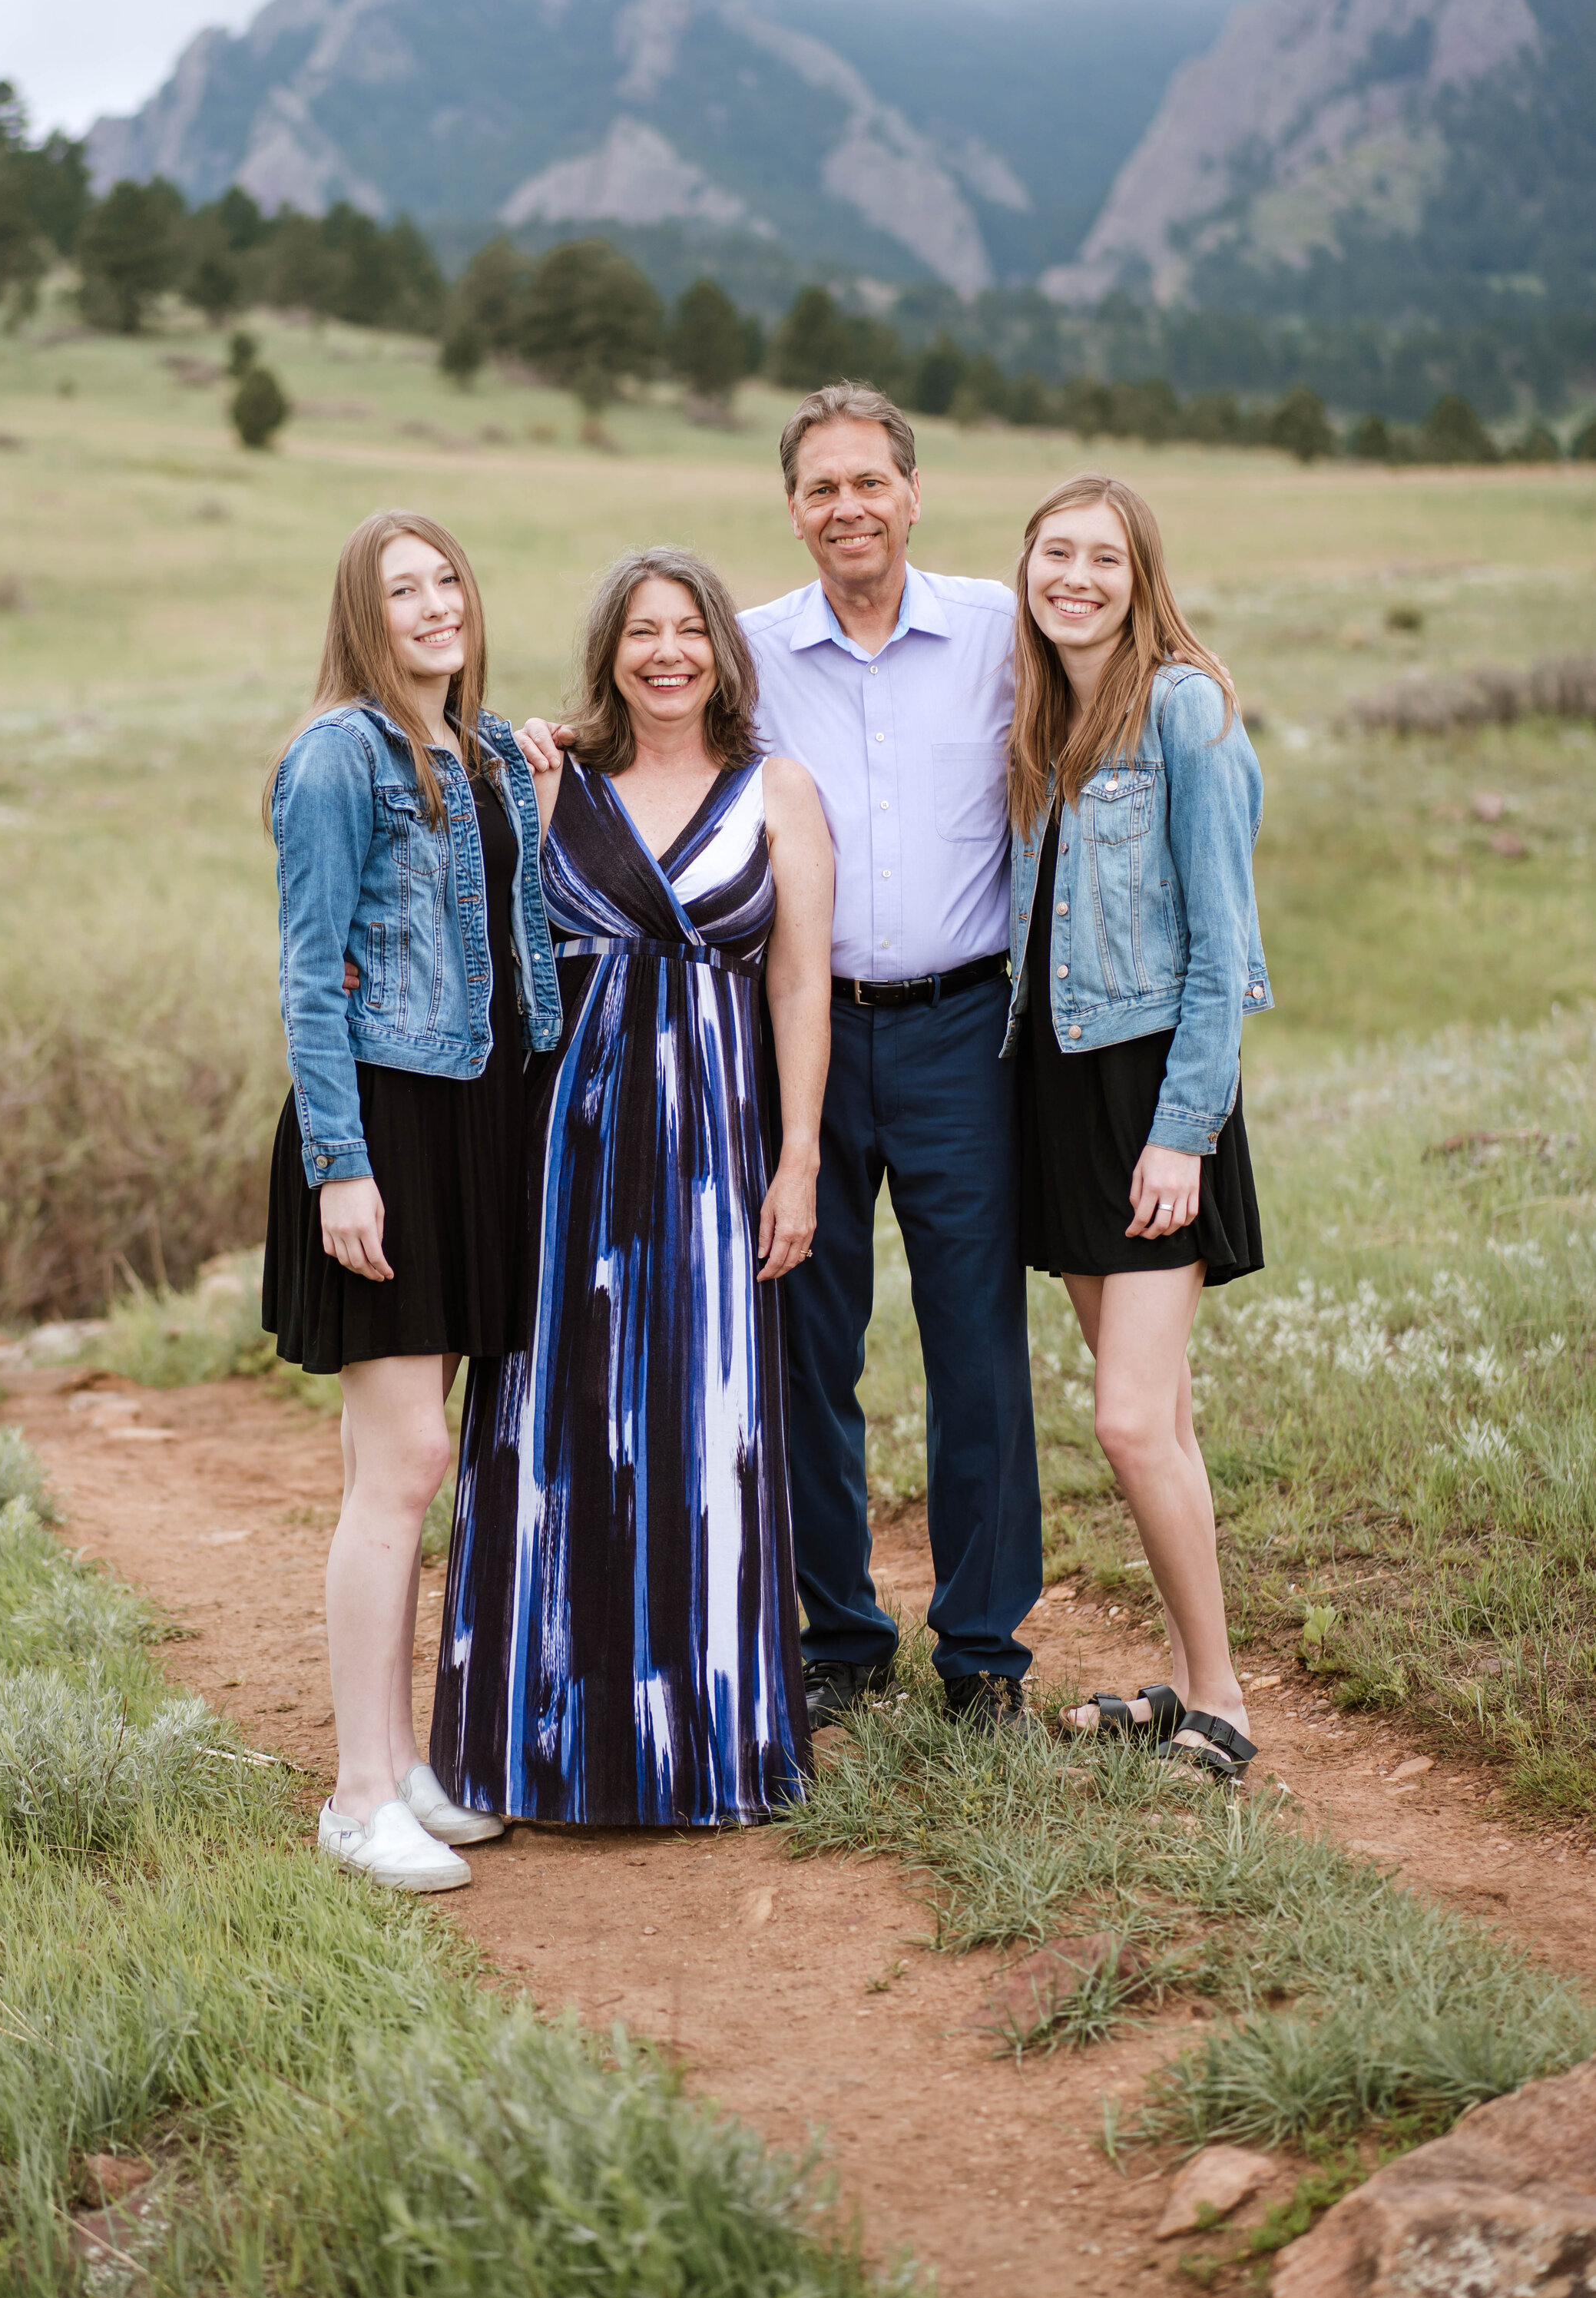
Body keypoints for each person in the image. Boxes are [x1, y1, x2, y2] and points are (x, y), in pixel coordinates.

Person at [432, 548, 834, 1823]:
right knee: (552, 1431)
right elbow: (490, 944)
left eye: (689, 632)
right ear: (608, 651)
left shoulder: (781, 791)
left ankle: (703, 1743)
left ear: (722, 649)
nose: (667, 654)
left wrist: (802, 1158)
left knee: (707, 1425)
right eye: (641, 633)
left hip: (717, 1147)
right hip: (569, 1153)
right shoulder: (556, 778)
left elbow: (800, 985)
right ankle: (527, 1741)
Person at [263, 508, 563, 1889]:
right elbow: (311, 976)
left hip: (479, 1119)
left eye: (450, 578)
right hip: (386, 1123)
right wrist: (341, 1169)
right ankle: (356, 1792)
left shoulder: (490, 750)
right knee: (405, 1466)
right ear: (362, 614)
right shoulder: (337, 758)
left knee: (405, 1462)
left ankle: (403, 1765)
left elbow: (516, 927)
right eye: (404, 589)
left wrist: (548, 789)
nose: (437, 603)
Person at [742, 386, 1043, 1733]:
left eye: (871, 482)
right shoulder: (746, 655)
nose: (848, 507)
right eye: (823, 488)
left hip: (962, 1032)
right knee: (808, 1342)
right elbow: (636, 740)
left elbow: (1123, 679)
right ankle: (843, 1640)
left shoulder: (999, 629)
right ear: (793, 507)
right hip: (800, 1043)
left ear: (914, 495)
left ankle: (983, 1655)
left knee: (976, 1345)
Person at [1006, 472, 1269, 1781]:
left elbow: (1227, 955)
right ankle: (1185, 1676)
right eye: (1057, 554)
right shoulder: (1042, 720)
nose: (1078, 578)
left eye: (1105, 559)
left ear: (1141, 575)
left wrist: (1184, 1132)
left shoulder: (1187, 711)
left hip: (1153, 1100)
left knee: (1125, 1420)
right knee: (1156, 1416)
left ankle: (1220, 1698)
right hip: (1059, 1098)